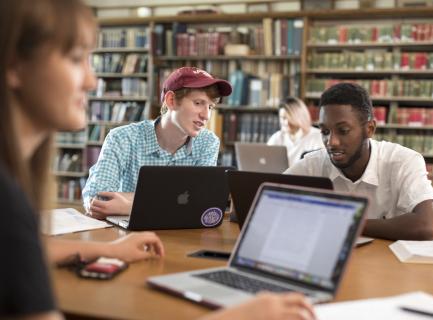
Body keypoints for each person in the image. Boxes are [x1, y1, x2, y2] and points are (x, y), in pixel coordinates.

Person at [0, 1, 315, 319]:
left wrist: (111, 245)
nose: (93, 81)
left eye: (211, 106)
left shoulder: (14, 192)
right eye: (75, 58)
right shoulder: (11, 198)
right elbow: (100, 201)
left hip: (162, 247)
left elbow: (204, 206)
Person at [285, 83, 433, 241]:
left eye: (343, 131)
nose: (331, 142)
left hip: (388, 264)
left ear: (370, 129)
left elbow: (428, 227)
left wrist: (345, 224)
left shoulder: (403, 161)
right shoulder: (313, 165)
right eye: (325, 132)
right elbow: (265, 200)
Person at [82, 66, 232, 219]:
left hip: (183, 235)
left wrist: (130, 206)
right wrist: (175, 203)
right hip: (128, 237)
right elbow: (98, 200)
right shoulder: (122, 138)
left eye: (210, 106)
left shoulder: (208, 142)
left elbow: (202, 203)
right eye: (198, 103)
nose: (206, 115)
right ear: (171, 100)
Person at [267, 97, 323, 166]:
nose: (286, 123)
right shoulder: (276, 138)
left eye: (290, 118)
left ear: (300, 117)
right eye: (283, 118)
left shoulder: (317, 136)